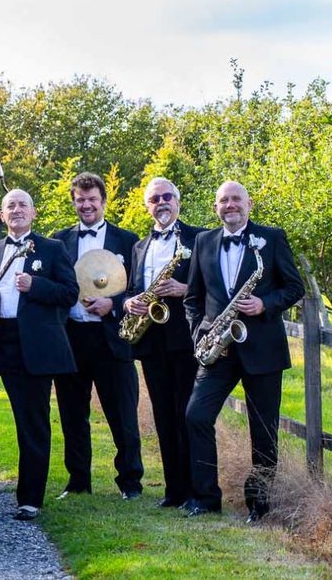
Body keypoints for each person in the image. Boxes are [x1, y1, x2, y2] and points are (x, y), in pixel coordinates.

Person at [181, 180, 305, 523]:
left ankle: (259, 504)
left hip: (262, 349)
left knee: (263, 430)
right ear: (216, 206)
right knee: (196, 416)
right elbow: (193, 299)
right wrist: (198, 334)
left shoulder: (272, 238)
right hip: (217, 349)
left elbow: (295, 287)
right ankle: (206, 498)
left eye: (236, 199)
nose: (230, 205)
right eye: (223, 200)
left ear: (249, 203)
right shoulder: (203, 241)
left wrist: (264, 303)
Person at [0, 189, 79, 522]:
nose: (17, 210)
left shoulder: (53, 249)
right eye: (11, 206)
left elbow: (70, 293)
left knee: (32, 424)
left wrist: (35, 286)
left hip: (32, 346)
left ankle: (29, 500)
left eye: (23, 204)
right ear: (2, 215)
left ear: (34, 212)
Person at [49, 172, 143, 500]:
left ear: (104, 202)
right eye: (80, 200)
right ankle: (78, 483)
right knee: (73, 414)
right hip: (71, 338)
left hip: (112, 337)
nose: (86, 205)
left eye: (92, 199)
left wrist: (113, 304)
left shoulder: (128, 240)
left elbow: (137, 288)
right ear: (74, 202)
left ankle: (130, 482)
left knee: (123, 414)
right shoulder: (59, 241)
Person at [121, 177, 203, 508]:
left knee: (188, 414)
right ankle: (173, 491)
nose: (162, 202)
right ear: (147, 206)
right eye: (155, 199)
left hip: (185, 337)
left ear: (178, 201)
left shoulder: (200, 238)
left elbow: (214, 283)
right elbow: (129, 289)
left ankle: (196, 490)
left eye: (167, 196)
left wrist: (186, 289)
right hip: (151, 340)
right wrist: (130, 303)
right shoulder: (139, 246)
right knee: (163, 416)